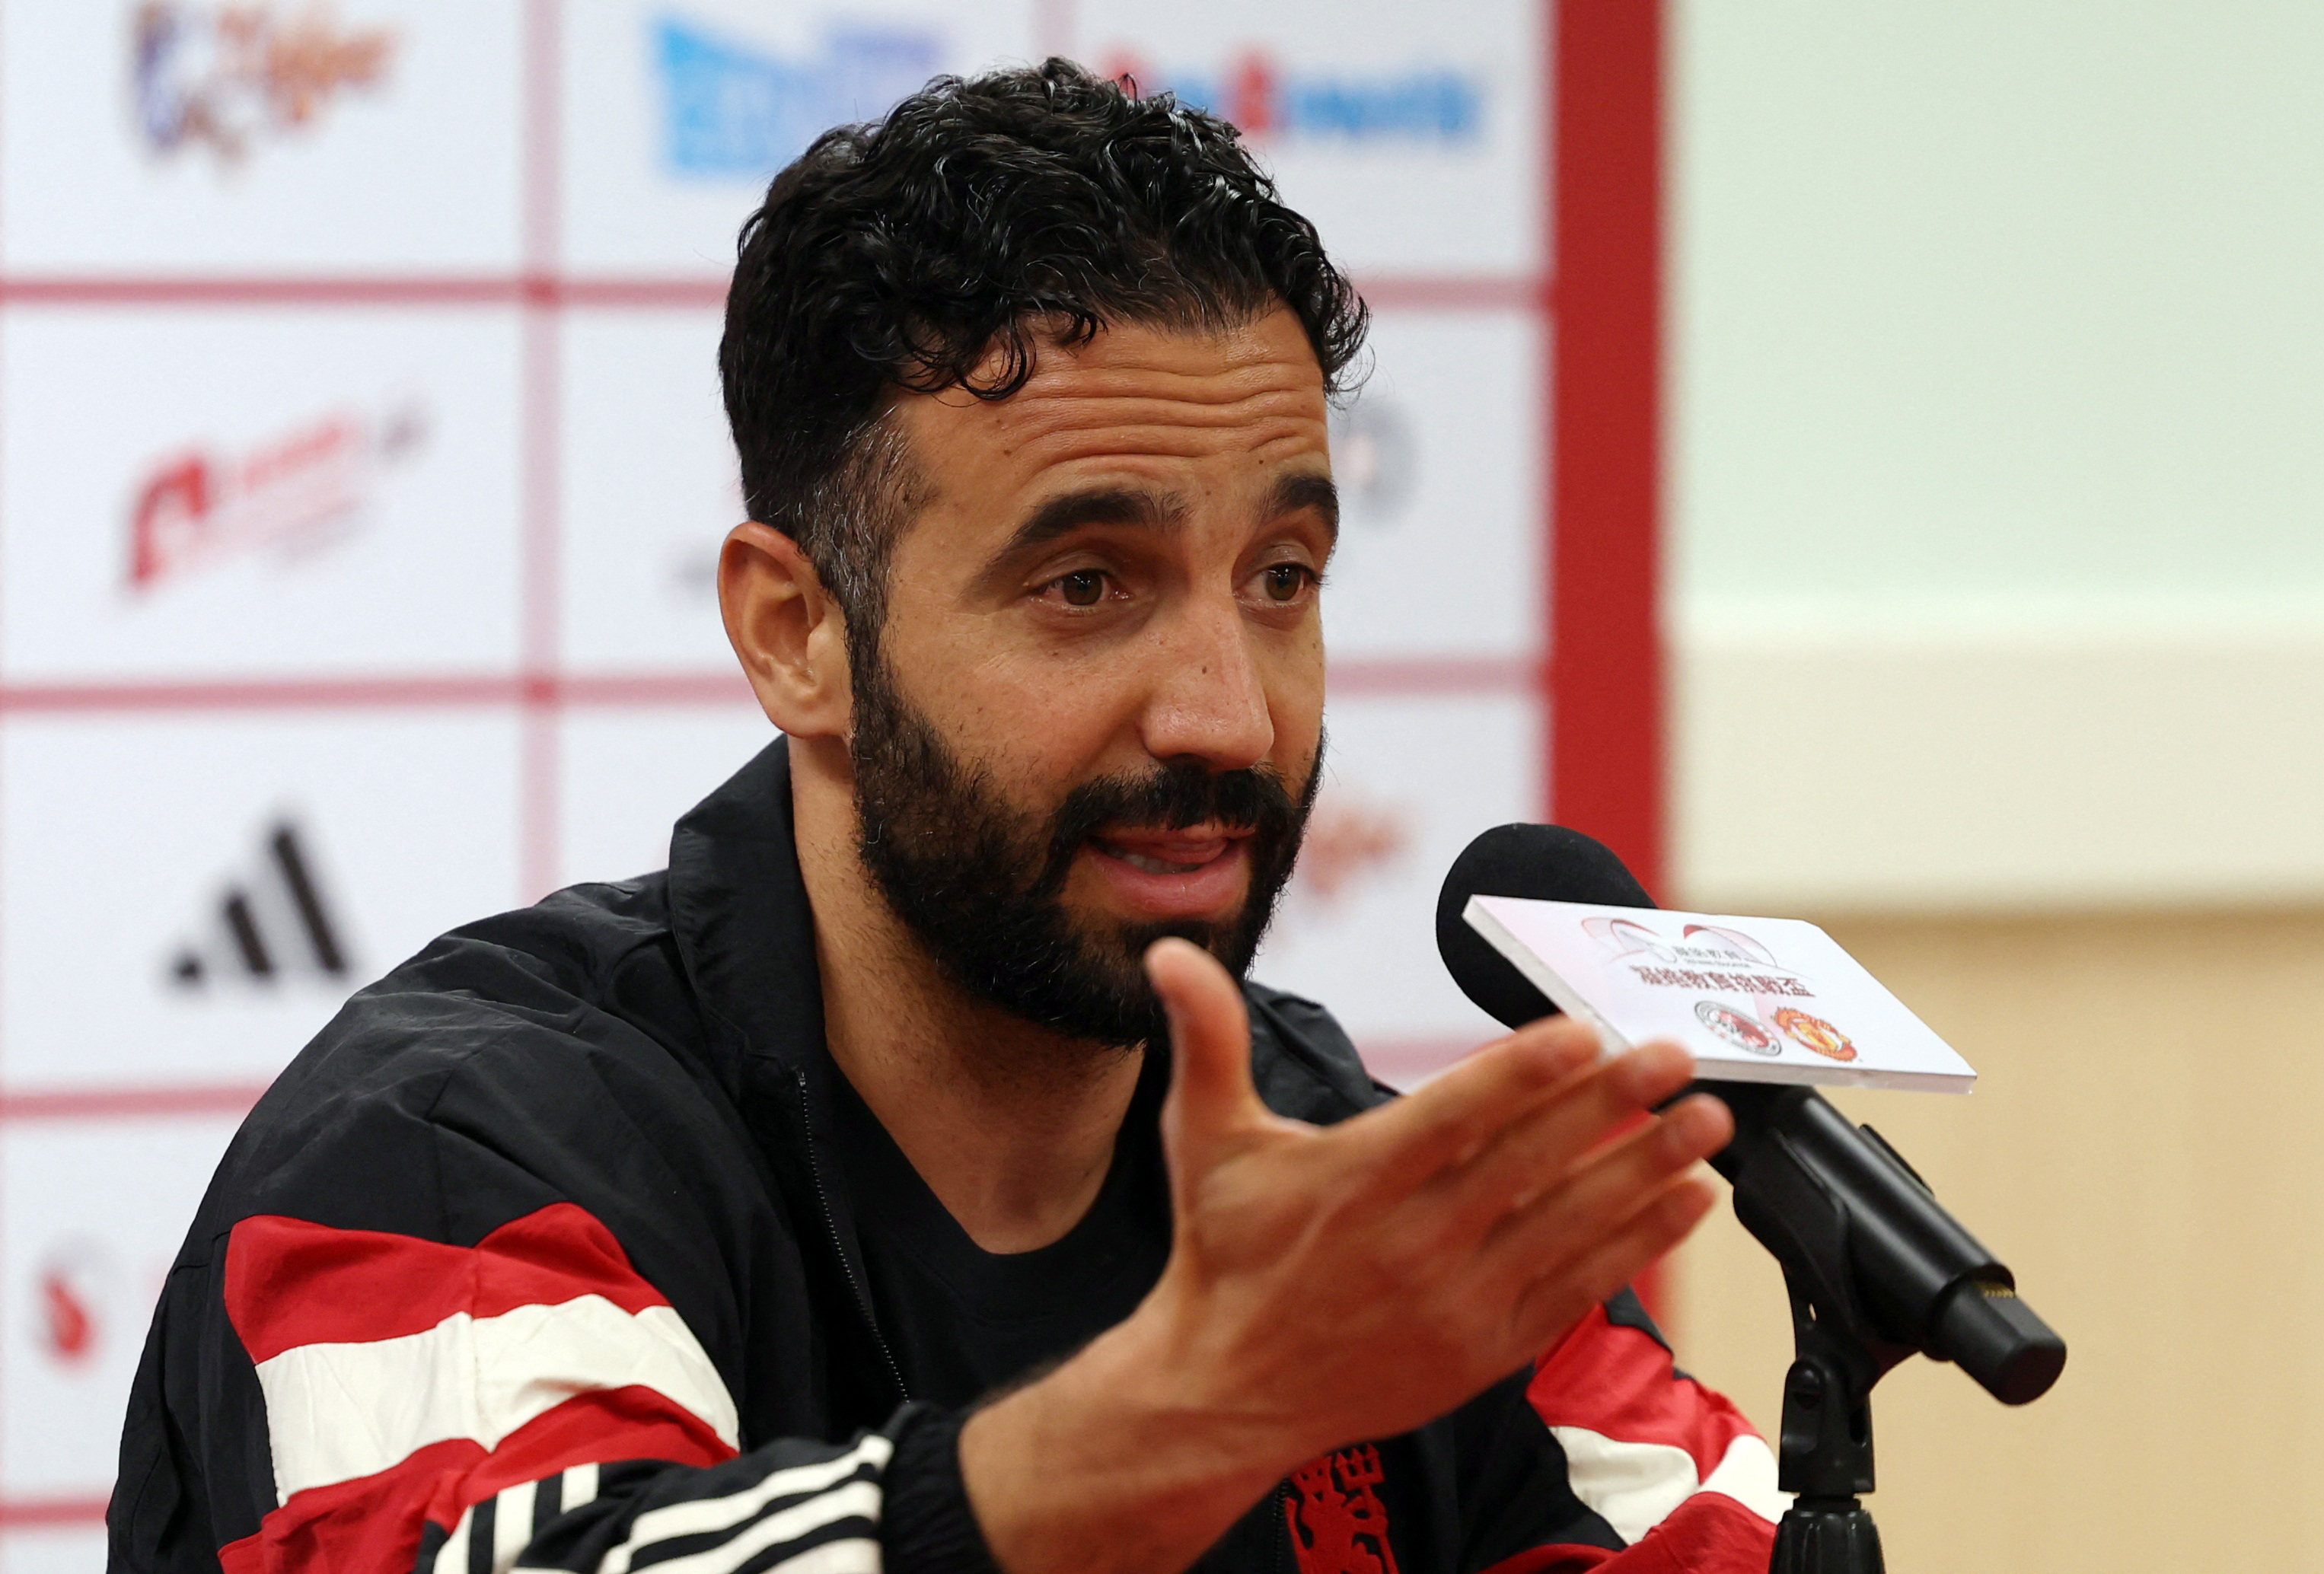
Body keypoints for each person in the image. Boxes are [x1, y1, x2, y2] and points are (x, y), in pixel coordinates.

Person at [109, 62, 1784, 1574]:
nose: (1223, 708)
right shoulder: (453, 1146)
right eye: (1084, 583)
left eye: (1281, 577)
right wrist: (1179, 1416)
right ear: (797, 634)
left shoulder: (1344, 1185)